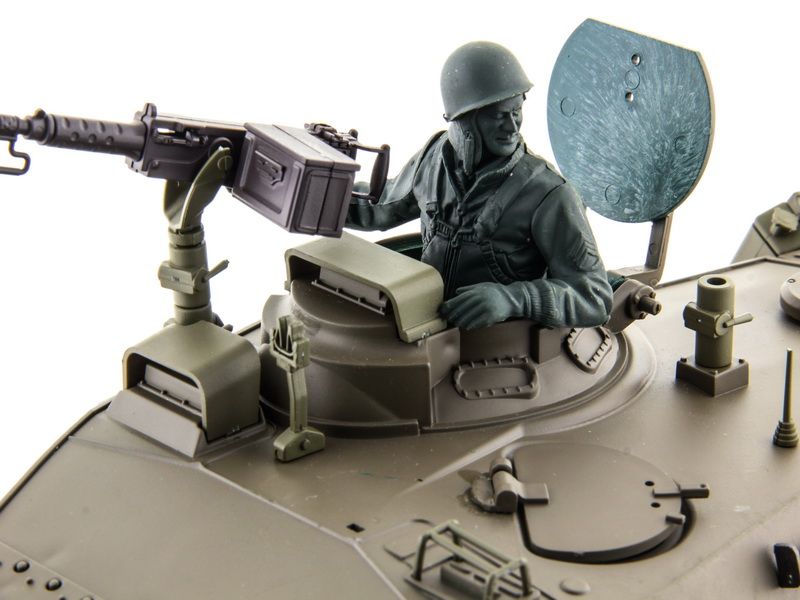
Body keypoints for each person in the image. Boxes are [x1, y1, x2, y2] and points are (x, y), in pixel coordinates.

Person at [347, 41, 612, 331]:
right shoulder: (434, 159)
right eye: (499, 115)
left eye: (516, 111)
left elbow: (594, 296)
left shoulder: (549, 193)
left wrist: (514, 299)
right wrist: (325, 192)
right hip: (423, 324)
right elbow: (382, 206)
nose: (512, 127)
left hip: (498, 343)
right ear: (464, 120)